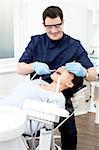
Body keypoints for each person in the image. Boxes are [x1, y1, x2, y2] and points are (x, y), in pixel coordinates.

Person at [17, 6, 97, 150]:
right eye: (49, 27)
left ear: (63, 22)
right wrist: (33, 66)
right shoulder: (36, 42)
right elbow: (20, 68)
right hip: (38, 89)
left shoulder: (74, 46)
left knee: (69, 131)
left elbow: (93, 75)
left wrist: (83, 72)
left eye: (57, 25)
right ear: (44, 25)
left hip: (60, 94)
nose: (53, 30)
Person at [0, 66, 83, 134]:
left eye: (68, 71)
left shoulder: (56, 99)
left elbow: (32, 128)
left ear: (69, 83)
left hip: (8, 121)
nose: (62, 68)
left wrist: (9, 127)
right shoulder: (37, 81)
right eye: (64, 67)